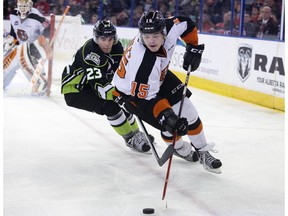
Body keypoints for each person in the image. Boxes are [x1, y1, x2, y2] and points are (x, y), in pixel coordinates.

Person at [112, 11, 222, 173]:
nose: (151, 41)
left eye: (156, 35)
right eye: (147, 36)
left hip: (158, 76)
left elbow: (186, 23)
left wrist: (194, 47)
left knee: (189, 112)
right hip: (132, 94)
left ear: (164, 31)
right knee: (170, 125)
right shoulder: (143, 63)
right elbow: (146, 99)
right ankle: (178, 148)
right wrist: (167, 116)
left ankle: (203, 151)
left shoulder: (170, 27)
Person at [61, 20, 152, 153]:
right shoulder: (91, 54)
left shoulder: (117, 47)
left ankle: (137, 134)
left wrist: (128, 92)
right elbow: (99, 86)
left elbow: (121, 73)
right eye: (103, 39)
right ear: (96, 38)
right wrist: (119, 97)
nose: (107, 43)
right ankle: (130, 138)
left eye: (110, 39)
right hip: (75, 90)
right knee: (111, 106)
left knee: (124, 102)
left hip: (89, 84)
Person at [3, 0, 52, 95]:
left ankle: (40, 83)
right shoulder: (13, 14)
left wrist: (45, 40)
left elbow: (49, 28)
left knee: (36, 79)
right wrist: (11, 39)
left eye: (24, 5)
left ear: (30, 5)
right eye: (20, 5)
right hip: (18, 46)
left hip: (32, 48)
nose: (22, 8)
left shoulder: (37, 16)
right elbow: (14, 32)